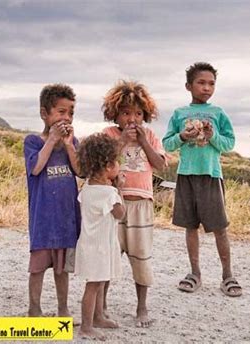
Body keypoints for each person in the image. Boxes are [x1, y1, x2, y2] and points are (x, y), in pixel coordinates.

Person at [162, 62, 242, 297]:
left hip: (210, 175)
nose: (207, 88)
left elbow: (229, 144)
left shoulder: (218, 114)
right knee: (190, 226)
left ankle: (228, 275)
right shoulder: (179, 114)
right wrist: (182, 136)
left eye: (211, 84)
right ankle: (194, 273)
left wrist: (212, 135)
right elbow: (167, 143)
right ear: (189, 86)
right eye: (201, 83)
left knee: (219, 227)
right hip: (186, 175)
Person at [102, 80, 166, 327]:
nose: (132, 119)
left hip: (141, 205)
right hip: (114, 202)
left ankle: (142, 308)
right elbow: (103, 160)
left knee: (141, 257)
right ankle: (102, 305)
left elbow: (160, 164)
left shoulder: (150, 136)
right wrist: (122, 142)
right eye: (126, 112)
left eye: (138, 113)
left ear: (145, 115)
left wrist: (144, 143)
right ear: (115, 113)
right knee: (108, 255)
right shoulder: (108, 135)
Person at [23, 83, 80, 317]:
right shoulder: (33, 142)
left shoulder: (72, 144)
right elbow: (35, 168)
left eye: (71, 113)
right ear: (44, 114)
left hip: (66, 217)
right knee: (37, 268)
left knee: (61, 269)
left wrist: (67, 145)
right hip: (43, 218)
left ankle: (63, 311)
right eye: (61, 112)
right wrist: (51, 140)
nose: (66, 117)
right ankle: (34, 310)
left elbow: (81, 171)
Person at [75, 133, 124, 340]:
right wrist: (119, 189)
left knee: (99, 281)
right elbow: (121, 214)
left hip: (91, 243)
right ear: (107, 167)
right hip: (100, 246)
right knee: (94, 285)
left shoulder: (87, 188)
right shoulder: (109, 193)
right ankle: (86, 325)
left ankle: (97, 317)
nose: (119, 165)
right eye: (116, 161)